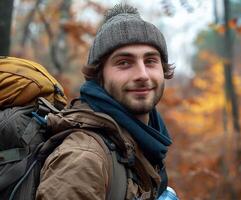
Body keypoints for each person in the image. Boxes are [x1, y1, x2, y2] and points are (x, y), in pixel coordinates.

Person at [36, 3, 175, 200]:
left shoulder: (145, 143)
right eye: (124, 62)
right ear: (99, 76)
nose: (142, 74)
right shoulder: (84, 159)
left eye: (150, 61)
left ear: (163, 69)